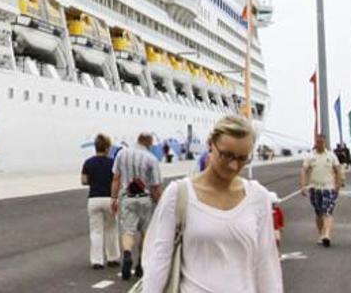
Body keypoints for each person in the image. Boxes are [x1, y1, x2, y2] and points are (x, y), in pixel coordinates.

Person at [142, 115, 283, 292]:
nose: (233, 165)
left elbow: (267, 266)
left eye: (242, 159)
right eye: (226, 156)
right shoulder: (179, 194)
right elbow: (158, 260)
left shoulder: (258, 197)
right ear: (210, 144)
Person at [111, 132, 162, 281]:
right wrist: (161, 203)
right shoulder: (151, 159)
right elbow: (155, 186)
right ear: (149, 143)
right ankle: (141, 263)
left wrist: (113, 198)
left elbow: (116, 178)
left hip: (127, 197)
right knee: (145, 232)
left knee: (128, 230)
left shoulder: (122, 154)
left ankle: (127, 254)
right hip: (145, 199)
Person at [81, 133, 120, 269]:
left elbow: (84, 181)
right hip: (109, 198)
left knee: (96, 231)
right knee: (111, 229)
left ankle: (97, 261)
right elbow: (117, 179)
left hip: (94, 198)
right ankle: (113, 258)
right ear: (108, 148)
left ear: (95, 147)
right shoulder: (113, 163)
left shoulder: (88, 162)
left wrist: (94, 180)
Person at [299, 135, 342, 247]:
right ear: (315, 143)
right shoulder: (310, 156)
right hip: (315, 188)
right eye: (318, 142)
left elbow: (338, 170)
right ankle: (321, 234)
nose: (320, 144)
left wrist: (338, 185)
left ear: (325, 143)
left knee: (327, 211)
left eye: (322, 142)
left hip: (328, 187)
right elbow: (304, 170)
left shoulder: (331, 155)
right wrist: (303, 186)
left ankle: (327, 235)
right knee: (319, 213)